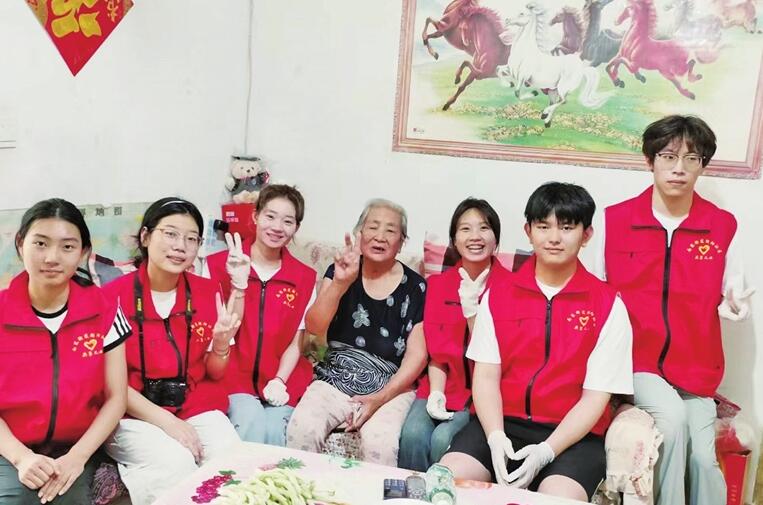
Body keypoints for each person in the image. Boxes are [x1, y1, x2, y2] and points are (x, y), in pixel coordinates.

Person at [440, 183, 633, 502]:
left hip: (573, 437)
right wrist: (495, 436)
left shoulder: (608, 305)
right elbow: (485, 376)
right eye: (543, 227)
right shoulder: (498, 295)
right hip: (501, 425)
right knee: (446, 484)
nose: (554, 238)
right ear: (528, 232)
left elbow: (595, 397)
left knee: (558, 498)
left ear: (586, 234)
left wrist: (547, 451)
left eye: (567, 228)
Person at [596, 115, 752, 505]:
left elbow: (734, 293)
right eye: (668, 156)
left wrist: (735, 305)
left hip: (696, 368)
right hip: (637, 362)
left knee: (703, 460)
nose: (679, 168)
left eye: (691, 158)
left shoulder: (722, 226)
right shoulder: (616, 220)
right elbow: (598, 295)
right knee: (674, 420)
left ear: (702, 165)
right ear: (650, 161)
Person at [102, 198, 240, 505]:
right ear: (146, 236)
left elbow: (216, 372)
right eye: (171, 234)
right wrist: (168, 423)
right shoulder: (111, 297)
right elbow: (109, 383)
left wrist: (220, 345)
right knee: (174, 463)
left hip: (194, 403)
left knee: (230, 460)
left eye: (191, 239)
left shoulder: (208, 292)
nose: (181, 246)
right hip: (130, 412)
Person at [0, 198, 129, 505]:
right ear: (20, 244)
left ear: (83, 252)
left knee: (69, 498)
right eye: (40, 244)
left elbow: (117, 397)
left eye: (67, 247)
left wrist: (77, 457)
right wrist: (21, 458)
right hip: (9, 446)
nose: (52, 257)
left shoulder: (105, 310)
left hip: (79, 447)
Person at [286, 199, 428, 466]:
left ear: (401, 242)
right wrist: (340, 284)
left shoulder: (417, 288)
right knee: (303, 427)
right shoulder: (340, 271)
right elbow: (313, 336)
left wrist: (381, 397)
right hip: (333, 377)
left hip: (390, 386)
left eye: (390, 230)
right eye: (373, 227)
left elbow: (417, 356)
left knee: (380, 442)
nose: (380, 236)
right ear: (359, 233)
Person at [398, 198, 511, 471]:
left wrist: (473, 313)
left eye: (484, 228)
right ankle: (412, 492)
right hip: (442, 384)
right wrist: (436, 391)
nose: (475, 236)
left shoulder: (511, 288)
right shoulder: (437, 286)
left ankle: (444, 492)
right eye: (465, 229)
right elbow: (436, 352)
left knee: (443, 439)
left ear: (496, 239)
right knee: (413, 435)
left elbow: (499, 356)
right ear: (454, 240)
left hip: (483, 392)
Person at [206, 184, 316, 446]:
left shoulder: (304, 278)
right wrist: (238, 284)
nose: (277, 227)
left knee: (276, 429)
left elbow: (296, 342)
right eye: (270, 216)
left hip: (281, 379)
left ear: (296, 227)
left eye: (287, 221)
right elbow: (220, 334)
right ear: (255, 216)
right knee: (251, 419)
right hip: (231, 378)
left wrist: (279, 380)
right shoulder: (217, 266)